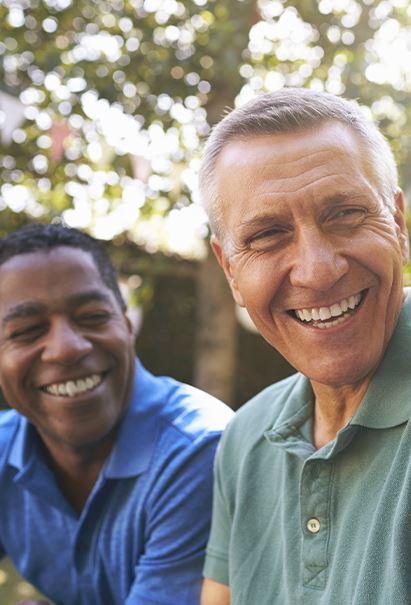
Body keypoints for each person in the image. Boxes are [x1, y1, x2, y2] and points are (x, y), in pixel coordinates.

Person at [198, 88, 411, 605]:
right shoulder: (246, 438)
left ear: (399, 225)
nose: (317, 270)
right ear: (229, 270)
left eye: (346, 214)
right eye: (268, 235)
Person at [0, 223, 233, 605]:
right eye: (29, 330)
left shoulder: (199, 448)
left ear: (127, 325)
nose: (66, 348)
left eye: (92, 316)